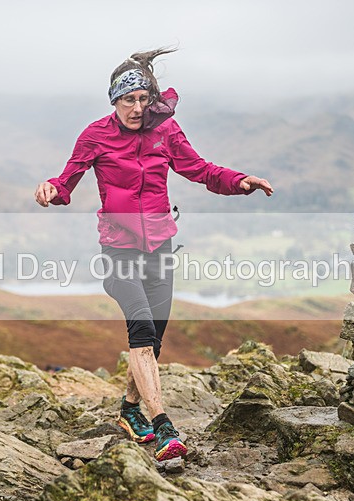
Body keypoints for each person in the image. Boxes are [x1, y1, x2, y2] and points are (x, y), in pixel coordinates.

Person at [34, 47, 273, 461]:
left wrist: (239, 181)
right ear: (114, 100)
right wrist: (51, 189)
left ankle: (130, 410)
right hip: (119, 250)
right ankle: (163, 426)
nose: (137, 108)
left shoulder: (165, 131)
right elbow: (67, 180)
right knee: (142, 328)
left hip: (160, 247)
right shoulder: (95, 135)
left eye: (144, 99)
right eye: (128, 99)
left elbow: (200, 169)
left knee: (153, 340)